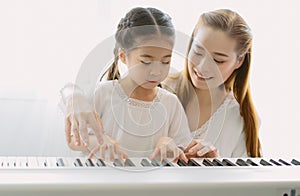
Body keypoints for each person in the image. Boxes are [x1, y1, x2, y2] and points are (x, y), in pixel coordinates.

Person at [60, 7, 212, 163]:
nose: (156, 71)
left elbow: (182, 150)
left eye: (165, 61)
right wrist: (99, 141)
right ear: (123, 56)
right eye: (146, 62)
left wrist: (170, 144)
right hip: (102, 181)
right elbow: (74, 140)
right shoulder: (103, 93)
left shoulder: (170, 103)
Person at [164, 9, 261, 157]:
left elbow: (248, 179)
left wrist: (215, 166)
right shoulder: (157, 88)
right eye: (197, 52)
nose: (202, 67)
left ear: (239, 61)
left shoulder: (240, 118)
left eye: (218, 60)